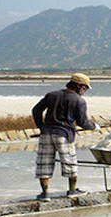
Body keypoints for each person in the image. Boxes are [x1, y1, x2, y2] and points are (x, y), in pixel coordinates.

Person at [32, 73, 101, 201]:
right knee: (70, 162)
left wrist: (42, 127)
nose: (84, 91)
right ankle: (72, 191)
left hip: (46, 134)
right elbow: (82, 122)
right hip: (64, 134)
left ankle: (45, 194)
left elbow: (36, 110)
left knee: (44, 162)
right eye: (85, 88)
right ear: (79, 85)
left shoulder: (52, 95)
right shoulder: (79, 101)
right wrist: (94, 127)